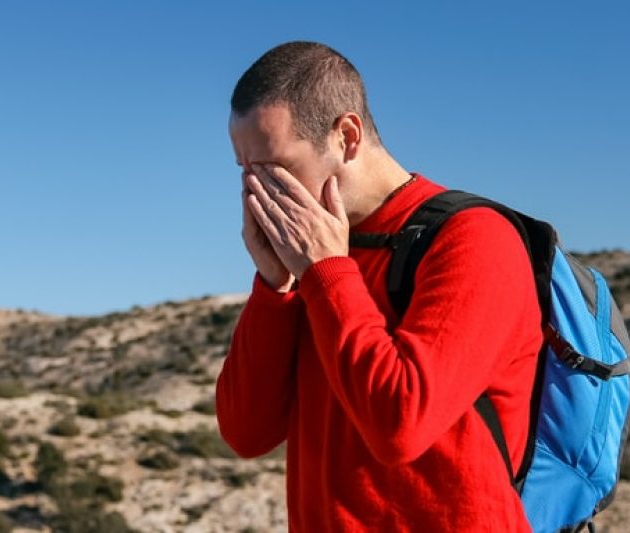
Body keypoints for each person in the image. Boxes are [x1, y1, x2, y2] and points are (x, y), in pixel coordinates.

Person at [215, 41, 543, 532]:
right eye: (245, 171)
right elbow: (245, 432)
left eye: (273, 169)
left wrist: (326, 270)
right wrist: (273, 287)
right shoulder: (311, 259)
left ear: (347, 137)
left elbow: (399, 425)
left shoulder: (474, 238)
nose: (257, 192)